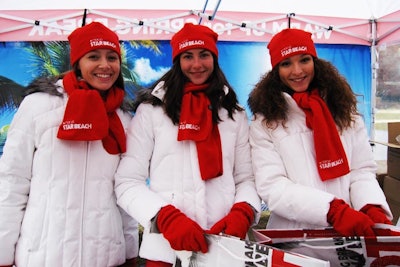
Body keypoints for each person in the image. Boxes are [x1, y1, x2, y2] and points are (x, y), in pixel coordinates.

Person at [114, 23, 261, 266]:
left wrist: (243, 211)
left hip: (224, 246)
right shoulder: (151, 111)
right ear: (177, 61)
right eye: (187, 56)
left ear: (214, 58)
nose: (197, 64)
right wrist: (165, 218)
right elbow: (127, 181)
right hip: (166, 250)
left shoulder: (233, 114)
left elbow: (246, 178)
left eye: (204, 55)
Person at [0, 22, 139, 267]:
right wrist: (2, 253)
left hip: (106, 256)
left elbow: (125, 191)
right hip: (43, 256)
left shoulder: (123, 118)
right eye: (93, 56)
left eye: (112, 57)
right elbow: (12, 181)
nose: (105, 65)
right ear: (76, 62)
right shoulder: (38, 106)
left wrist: (129, 251)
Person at [248, 28, 393, 237]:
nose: (297, 71)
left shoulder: (343, 111)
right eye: (286, 63)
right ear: (276, 71)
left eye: (304, 60)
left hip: (349, 233)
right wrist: (332, 210)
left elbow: (361, 171)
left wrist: (372, 207)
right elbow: (272, 186)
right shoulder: (265, 122)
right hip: (295, 237)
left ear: (315, 62)